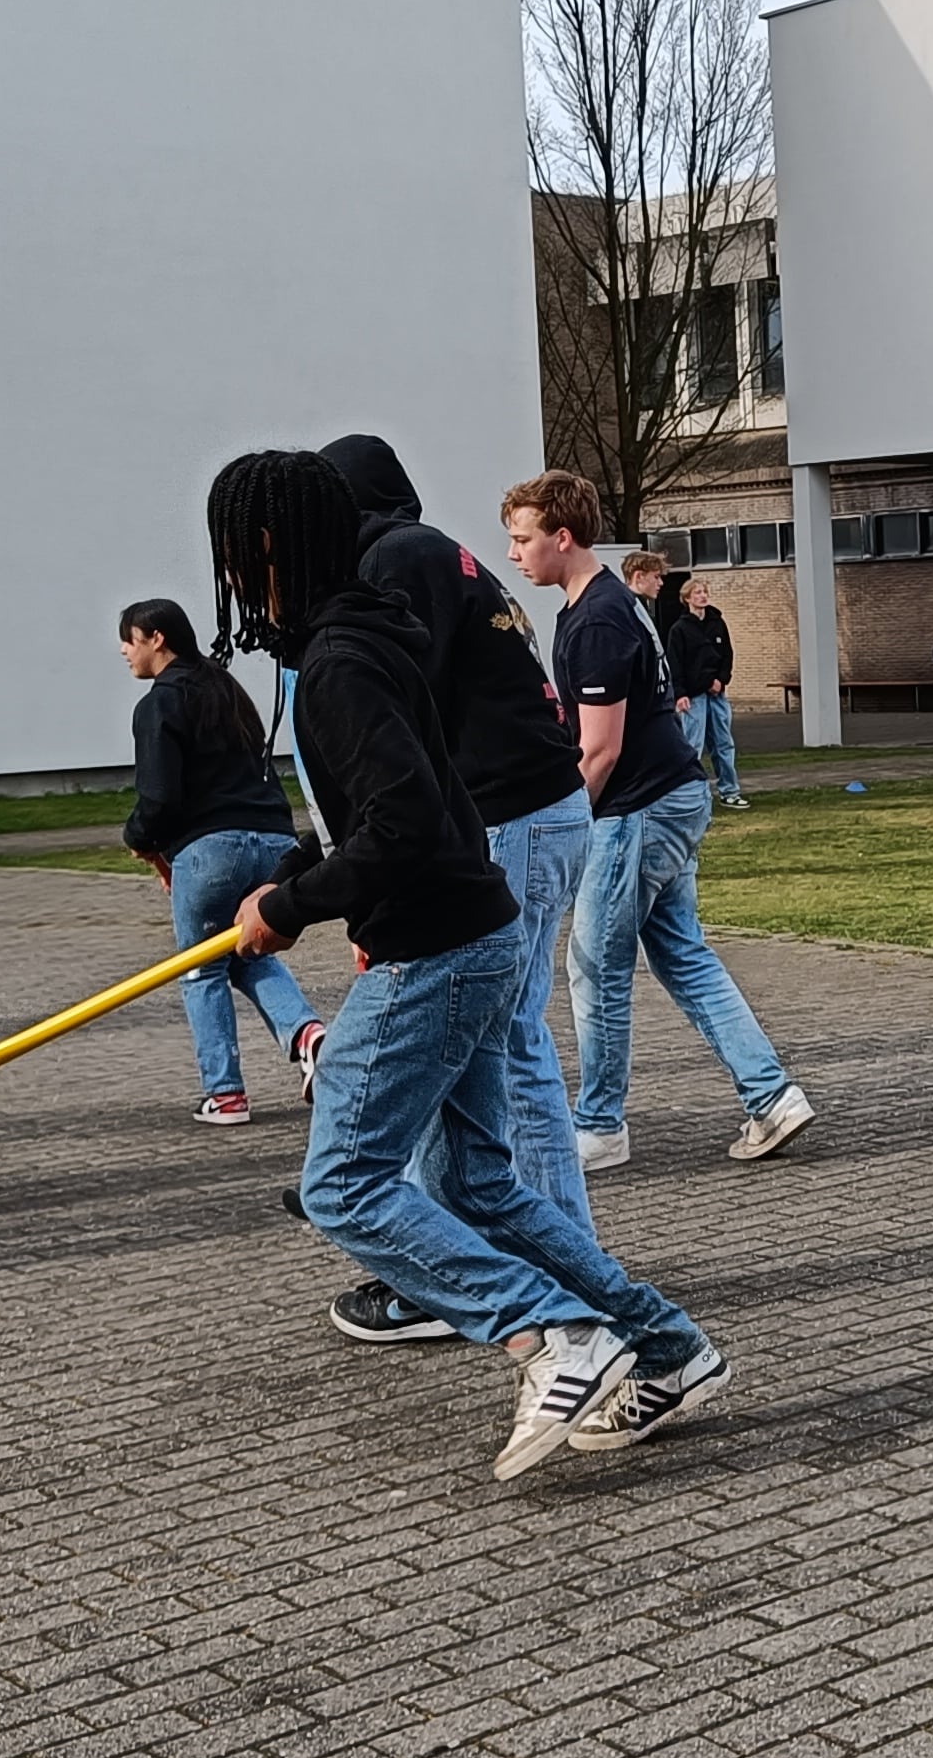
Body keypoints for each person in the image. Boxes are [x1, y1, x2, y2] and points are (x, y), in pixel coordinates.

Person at [209, 453, 724, 1467]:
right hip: (469, 924)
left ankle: (554, 1336)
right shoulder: (372, 641)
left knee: (345, 1184)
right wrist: (306, 877)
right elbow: (413, 798)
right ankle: (668, 1348)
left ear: (269, 549)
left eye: (237, 550)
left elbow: (402, 823)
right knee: (478, 1184)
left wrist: (291, 902)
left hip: (435, 946)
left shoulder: (346, 665)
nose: (230, 574)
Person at [320, 435, 597, 1218]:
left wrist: (381, 867)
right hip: (530, 810)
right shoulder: (430, 552)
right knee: (490, 1034)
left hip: (513, 814)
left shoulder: (397, 562)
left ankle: (550, 1241)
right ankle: (478, 1223)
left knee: (502, 1037)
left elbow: (408, 713)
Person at [509, 468, 815, 1174]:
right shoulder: (605, 603)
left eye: (523, 539)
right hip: (668, 799)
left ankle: (600, 1125)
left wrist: (560, 827)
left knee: (596, 968)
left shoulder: (596, 619)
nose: (514, 554)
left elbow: (600, 749)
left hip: (636, 809)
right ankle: (771, 1096)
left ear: (563, 536)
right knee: (682, 954)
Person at [120, 598, 319, 1123]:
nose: (124, 651)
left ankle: (225, 1093)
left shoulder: (159, 703)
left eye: (129, 640)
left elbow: (160, 795)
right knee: (250, 952)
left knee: (202, 969)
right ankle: (307, 1037)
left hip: (211, 850)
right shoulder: (226, 689)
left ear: (156, 639)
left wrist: (139, 838)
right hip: (274, 840)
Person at [670, 573, 747, 810]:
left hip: (717, 694)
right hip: (693, 696)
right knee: (693, 746)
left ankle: (730, 791)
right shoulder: (679, 629)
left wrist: (721, 681)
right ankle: (692, 794)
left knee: (723, 743)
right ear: (687, 598)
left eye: (704, 592)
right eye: (697, 593)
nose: (702, 596)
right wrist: (680, 693)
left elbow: (727, 655)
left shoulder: (717, 623)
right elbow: (675, 664)